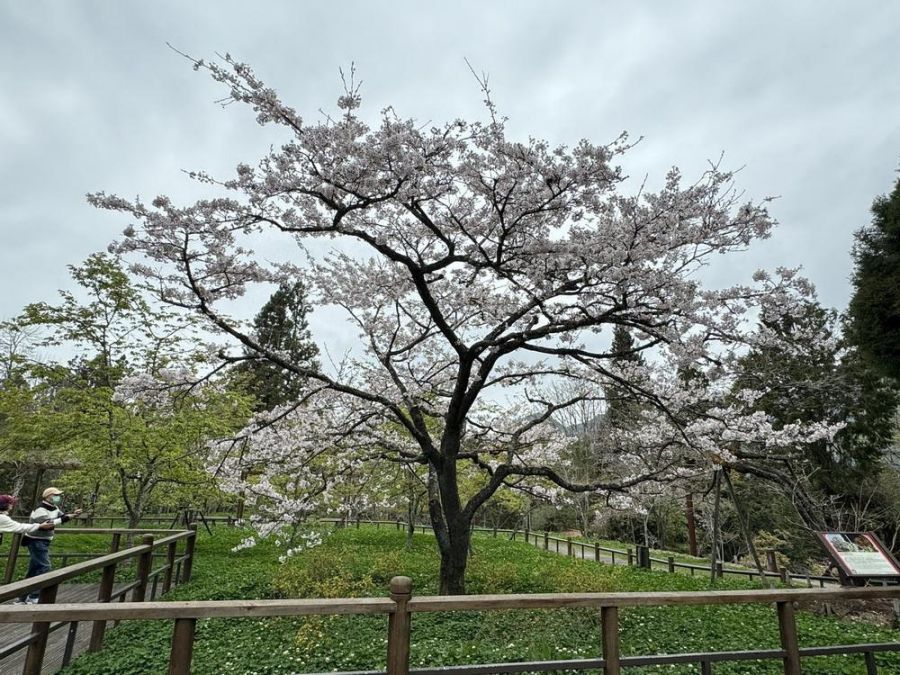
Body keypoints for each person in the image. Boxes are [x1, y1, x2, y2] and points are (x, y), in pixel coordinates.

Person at [17, 487, 82, 604]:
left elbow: (63, 517)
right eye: (56, 495)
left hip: (44, 541)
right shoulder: (40, 510)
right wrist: (64, 518)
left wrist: (74, 514)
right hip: (35, 541)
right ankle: (34, 595)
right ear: (48, 496)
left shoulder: (54, 508)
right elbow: (47, 524)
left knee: (34, 570)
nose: (58, 497)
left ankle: (22, 597)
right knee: (44, 567)